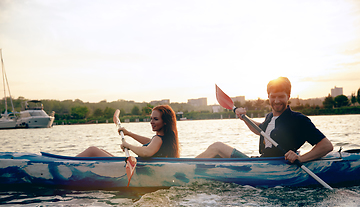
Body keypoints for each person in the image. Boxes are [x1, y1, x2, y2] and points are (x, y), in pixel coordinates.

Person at [196, 77, 333, 163]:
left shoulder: (298, 120)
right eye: (273, 96)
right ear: (268, 96)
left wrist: (300, 158)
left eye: (281, 96)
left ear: (288, 96)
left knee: (217, 147)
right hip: (260, 163)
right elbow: (261, 131)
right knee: (217, 154)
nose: (277, 101)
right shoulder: (270, 117)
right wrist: (244, 118)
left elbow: (326, 145)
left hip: (274, 167)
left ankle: (180, 169)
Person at [76, 105, 180, 158]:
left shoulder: (158, 139)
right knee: (100, 151)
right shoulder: (164, 139)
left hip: (136, 171)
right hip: (138, 169)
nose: (151, 122)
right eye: (151, 118)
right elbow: (149, 142)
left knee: (92, 150)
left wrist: (128, 145)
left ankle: (65, 164)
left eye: (156, 119)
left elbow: (146, 152)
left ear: (165, 122)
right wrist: (128, 133)